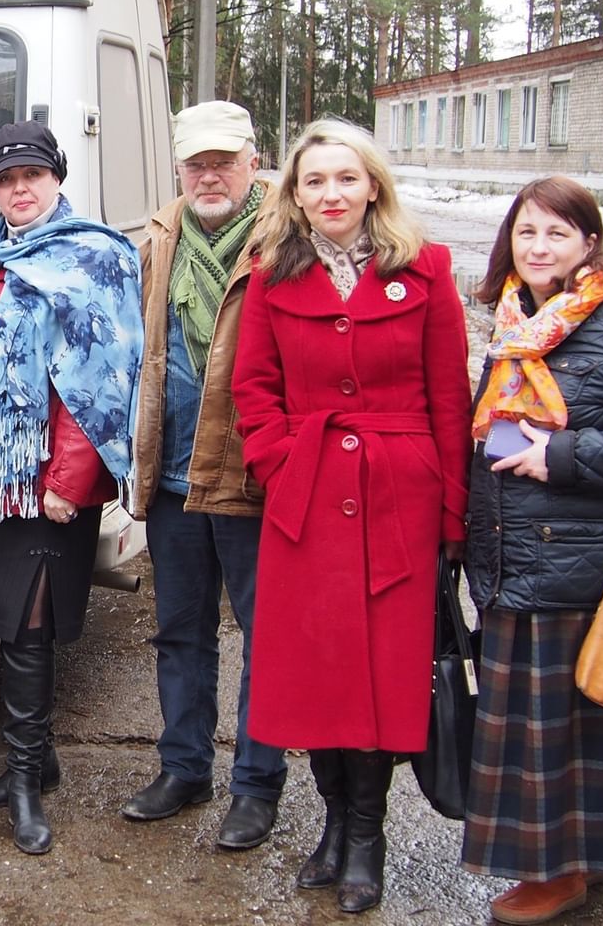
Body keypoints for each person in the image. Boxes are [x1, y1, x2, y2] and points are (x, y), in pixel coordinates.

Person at [230, 118, 470, 913]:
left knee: (382, 679)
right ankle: (333, 826)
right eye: (313, 181)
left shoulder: (426, 270)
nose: (330, 194)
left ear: (373, 185)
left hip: (398, 502)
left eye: (345, 178)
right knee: (317, 677)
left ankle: (368, 836)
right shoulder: (271, 275)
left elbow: (448, 398)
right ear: (293, 195)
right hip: (305, 507)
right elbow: (253, 391)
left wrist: (451, 518)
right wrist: (279, 460)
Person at [461, 176, 603, 925]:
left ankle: (560, 875)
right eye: (527, 232)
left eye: (557, 234)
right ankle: (584, 863)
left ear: (589, 242)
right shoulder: (513, 327)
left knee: (575, 735)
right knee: (546, 735)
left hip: (590, 569)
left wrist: (559, 457)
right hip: (512, 559)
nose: (539, 247)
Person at [0, 121, 143, 855]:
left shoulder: (95, 256)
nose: (20, 189)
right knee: (8, 625)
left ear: (58, 177)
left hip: (49, 482)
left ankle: (26, 782)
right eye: (6, 180)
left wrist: (69, 478)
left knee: (32, 628)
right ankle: (41, 759)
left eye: (33, 174)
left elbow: (103, 377)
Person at [121, 101, 288, 849]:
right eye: (197, 163)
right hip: (174, 479)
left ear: (254, 161)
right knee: (180, 633)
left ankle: (255, 785)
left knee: (265, 638)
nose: (211, 175)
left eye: (226, 160)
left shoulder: (288, 237)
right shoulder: (158, 238)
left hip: (255, 479)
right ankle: (183, 767)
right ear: (180, 170)